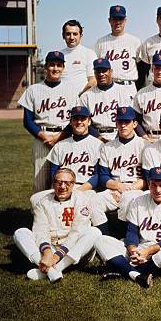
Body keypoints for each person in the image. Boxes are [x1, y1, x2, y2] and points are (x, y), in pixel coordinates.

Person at [95, 167, 161, 289]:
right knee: (101, 240)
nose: (158, 189)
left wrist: (148, 251)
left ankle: (126, 270)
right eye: (153, 185)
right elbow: (131, 232)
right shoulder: (139, 201)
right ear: (148, 184)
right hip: (140, 248)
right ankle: (138, 274)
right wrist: (133, 251)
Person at [13, 168, 101, 282]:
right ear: (53, 184)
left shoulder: (82, 200)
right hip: (51, 248)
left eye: (67, 183)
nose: (63, 187)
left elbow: (77, 233)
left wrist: (56, 257)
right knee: (20, 233)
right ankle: (49, 270)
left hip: (75, 252)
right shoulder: (42, 202)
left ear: (73, 184)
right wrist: (47, 252)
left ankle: (53, 269)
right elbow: (40, 230)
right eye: (59, 182)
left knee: (94, 232)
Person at [18, 51, 78, 192]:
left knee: (65, 181)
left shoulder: (71, 90)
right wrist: (45, 137)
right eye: (52, 65)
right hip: (42, 139)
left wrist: (57, 137)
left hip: (65, 138)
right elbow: (27, 121)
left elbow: (75, 120)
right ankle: (38, 214)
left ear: (63, 67)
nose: (55, 68)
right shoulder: (33, 90)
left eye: (59, 65)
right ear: (46, 67)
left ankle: (64, 213)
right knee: (40, 183)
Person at [96, 106, 146, 224]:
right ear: (116, 123)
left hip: (135, 189)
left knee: (128, 199)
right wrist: (118, 187)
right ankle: (105, 237)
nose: (123, 125)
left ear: (134, 124)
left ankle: (126, 236)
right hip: (114, 189)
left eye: (127, 122)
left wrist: (127, 189)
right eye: (120, 122)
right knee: (94, 201)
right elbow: (103, 177)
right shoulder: (107, 147)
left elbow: (147, 178)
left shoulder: (144, 145)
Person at [93, 5, 141, 99]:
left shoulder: (135, 41)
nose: (118, 22)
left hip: (128, 86)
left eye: (121, 19)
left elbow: (142, 69)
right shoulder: (100, 43)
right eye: (115, 19)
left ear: (125, 20)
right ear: (109, 20)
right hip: (109, 87)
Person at [79, 58, 132, 142]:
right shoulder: (86, 96)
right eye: (98, 71)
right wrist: (100, 139)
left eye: (104, 71)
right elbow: (85, 123)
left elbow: (129, 118)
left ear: (111, 71)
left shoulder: (123, 91)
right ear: (94, 73)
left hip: (119, 135)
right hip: (95, 137)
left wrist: (119, 138)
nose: (101, 74)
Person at [59, 20, 98, 96]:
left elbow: (93, 80)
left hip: (82, 100)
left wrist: (80, 95)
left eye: (75, 34)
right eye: (68, 34)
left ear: (81, 35)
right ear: (63, 35)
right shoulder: (59, 55)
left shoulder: (89, 54)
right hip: (61, 101)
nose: (72, 37)